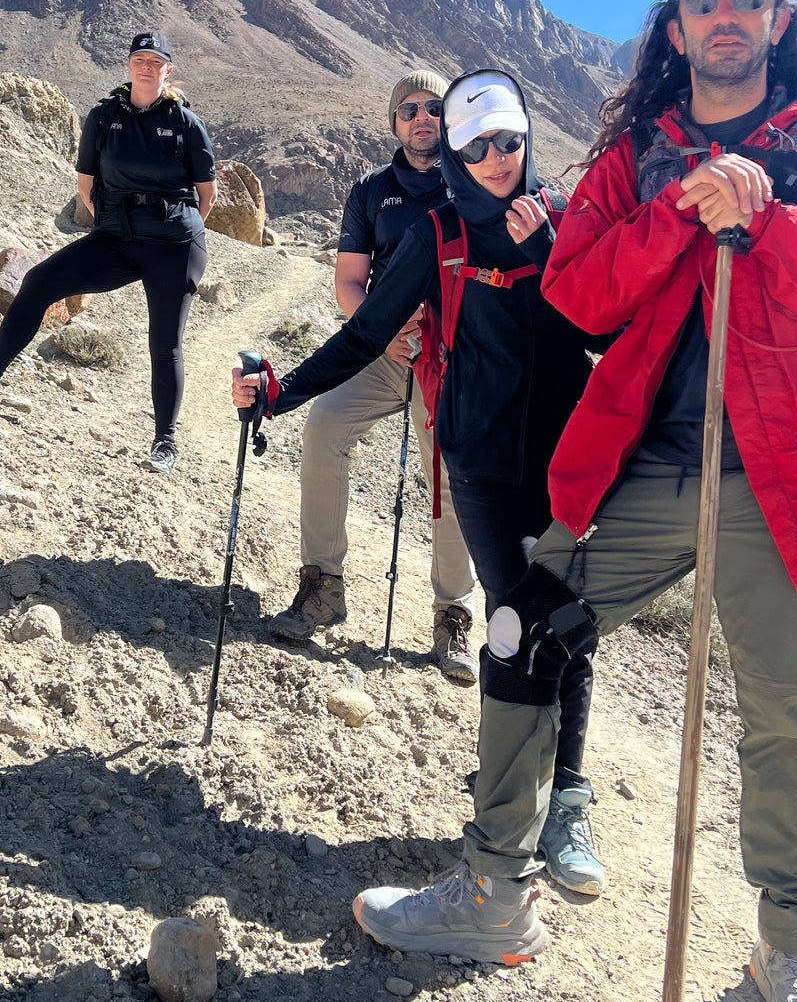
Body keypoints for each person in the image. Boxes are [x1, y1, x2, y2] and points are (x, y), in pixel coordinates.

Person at [350, 0, 797, 1002]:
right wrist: (678, 215)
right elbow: (573, 287)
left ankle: (788, 950)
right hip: (646, 467)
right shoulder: (638, 154)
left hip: (785, 478)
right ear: (674, 27)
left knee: (789, 715)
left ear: (777, 16)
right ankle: (490, 889)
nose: (724, 13)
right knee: (523, 628)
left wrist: (767, 224)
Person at [234, 68, 609, 893]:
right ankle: (509, 815)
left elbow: (609, 326)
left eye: (508, 140)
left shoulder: (566, 216)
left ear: (526, 136)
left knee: (570, 620)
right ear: (456, 153)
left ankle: (568, 798)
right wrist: (279, 393)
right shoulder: (436, 230)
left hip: (563, 456)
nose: (497, 157)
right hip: (475, 457)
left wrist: (552, 251)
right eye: (478, 146)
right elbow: (365, 330)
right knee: (515, 623)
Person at [266, 70, 479, 682]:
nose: (423, 118)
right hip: (381, 353)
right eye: (410, 108)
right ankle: (323, 586)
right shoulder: (369, 191)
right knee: (324, 427)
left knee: (446, 472)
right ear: (394, 121)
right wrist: (384, 333)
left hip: (446, 359)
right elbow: (349, 283)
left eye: (435, 109)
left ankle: (453, 615)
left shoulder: (471, 183)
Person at [0, 31, 216, 474]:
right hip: (118, 239)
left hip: (174, 246)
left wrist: (171, 225)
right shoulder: (104, 117)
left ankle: (165, 441)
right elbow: (86, 185)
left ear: (167, 70)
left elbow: (207, 194)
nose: (146, 67)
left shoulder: (185, 123)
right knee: (40, 281)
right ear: (129, 65)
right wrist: (118, 221)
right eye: (139, 59)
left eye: (155, 61)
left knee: (165, 341)